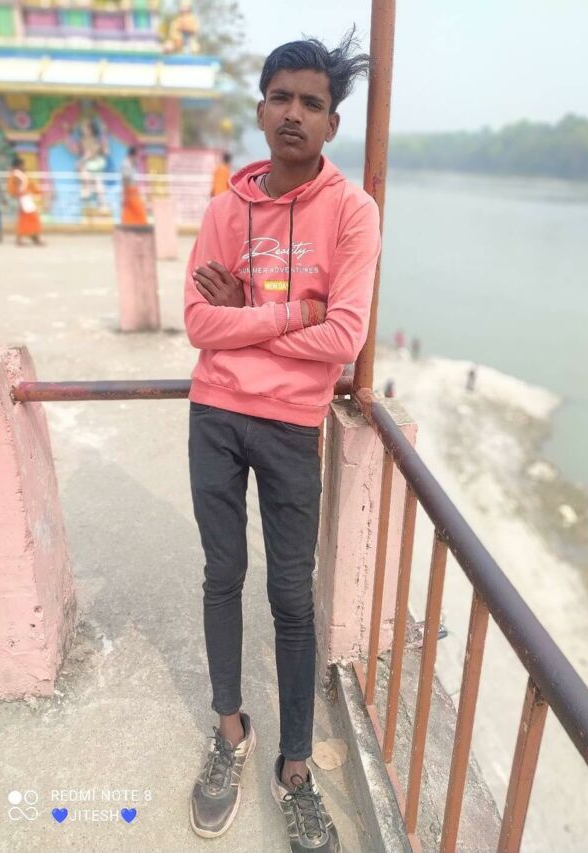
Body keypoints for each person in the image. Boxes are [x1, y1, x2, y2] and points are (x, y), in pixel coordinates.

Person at [184, 30, 379, 852]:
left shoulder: (352, 212)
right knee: (222, 574)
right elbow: (199, 323)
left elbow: (345, 336)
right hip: (215, 416)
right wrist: (293, 311)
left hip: (294, 425)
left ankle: (295, 768)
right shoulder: (224, 210)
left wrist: (247, 316)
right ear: (261, 110)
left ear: (332, 123)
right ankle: (231, 729)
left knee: (292, 597)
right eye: (281, 98)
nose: (294, 113)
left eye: (312, 103)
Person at [7, 156, 44, 246]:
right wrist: (20, 202)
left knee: (28, 220)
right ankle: (29, 239)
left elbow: (28, 185)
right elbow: (16, 190)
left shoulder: (19, 175)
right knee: (29, 220)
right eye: (23, 165)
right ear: (19, 165)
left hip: (25, 199)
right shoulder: (17, 176)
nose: (24, 167)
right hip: (23, 200)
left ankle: (32, 238)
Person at [120, 146, 147, 226]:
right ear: (132, 155)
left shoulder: (130, 164)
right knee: (139, 209)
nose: (136, 159)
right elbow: (125, 179)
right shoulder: (126, 164)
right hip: (130, 190)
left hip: (132, 190)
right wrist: (125, 194)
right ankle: (141, 225)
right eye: (136, 156)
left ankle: (130, 225)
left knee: (130, 210)